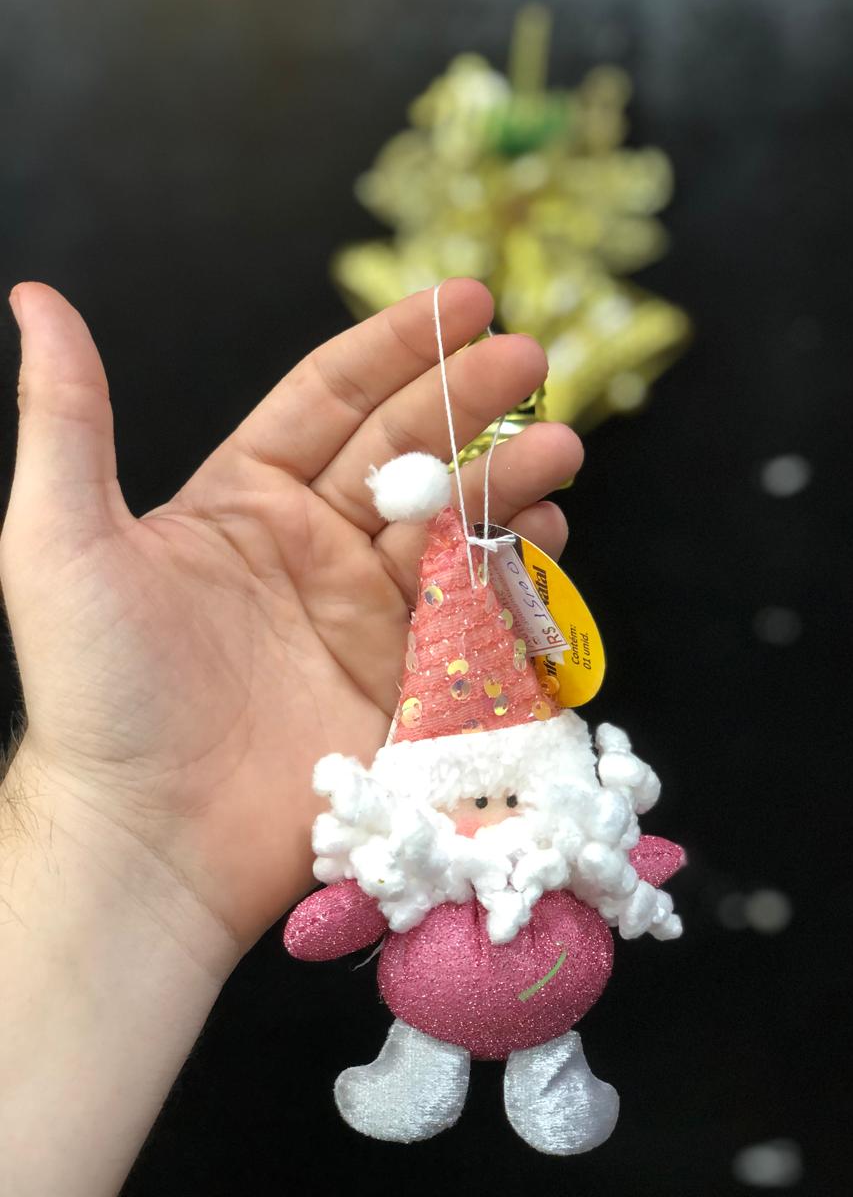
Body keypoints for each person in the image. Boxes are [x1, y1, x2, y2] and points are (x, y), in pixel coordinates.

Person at [0, 278, 583, 1197]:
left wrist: (114, 839)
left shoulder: (559, 856)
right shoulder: (426, 860)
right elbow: (328, 927)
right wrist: (112, 817)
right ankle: (424, 1064)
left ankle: (553, 1070)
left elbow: (643, 864)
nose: (488, 815)